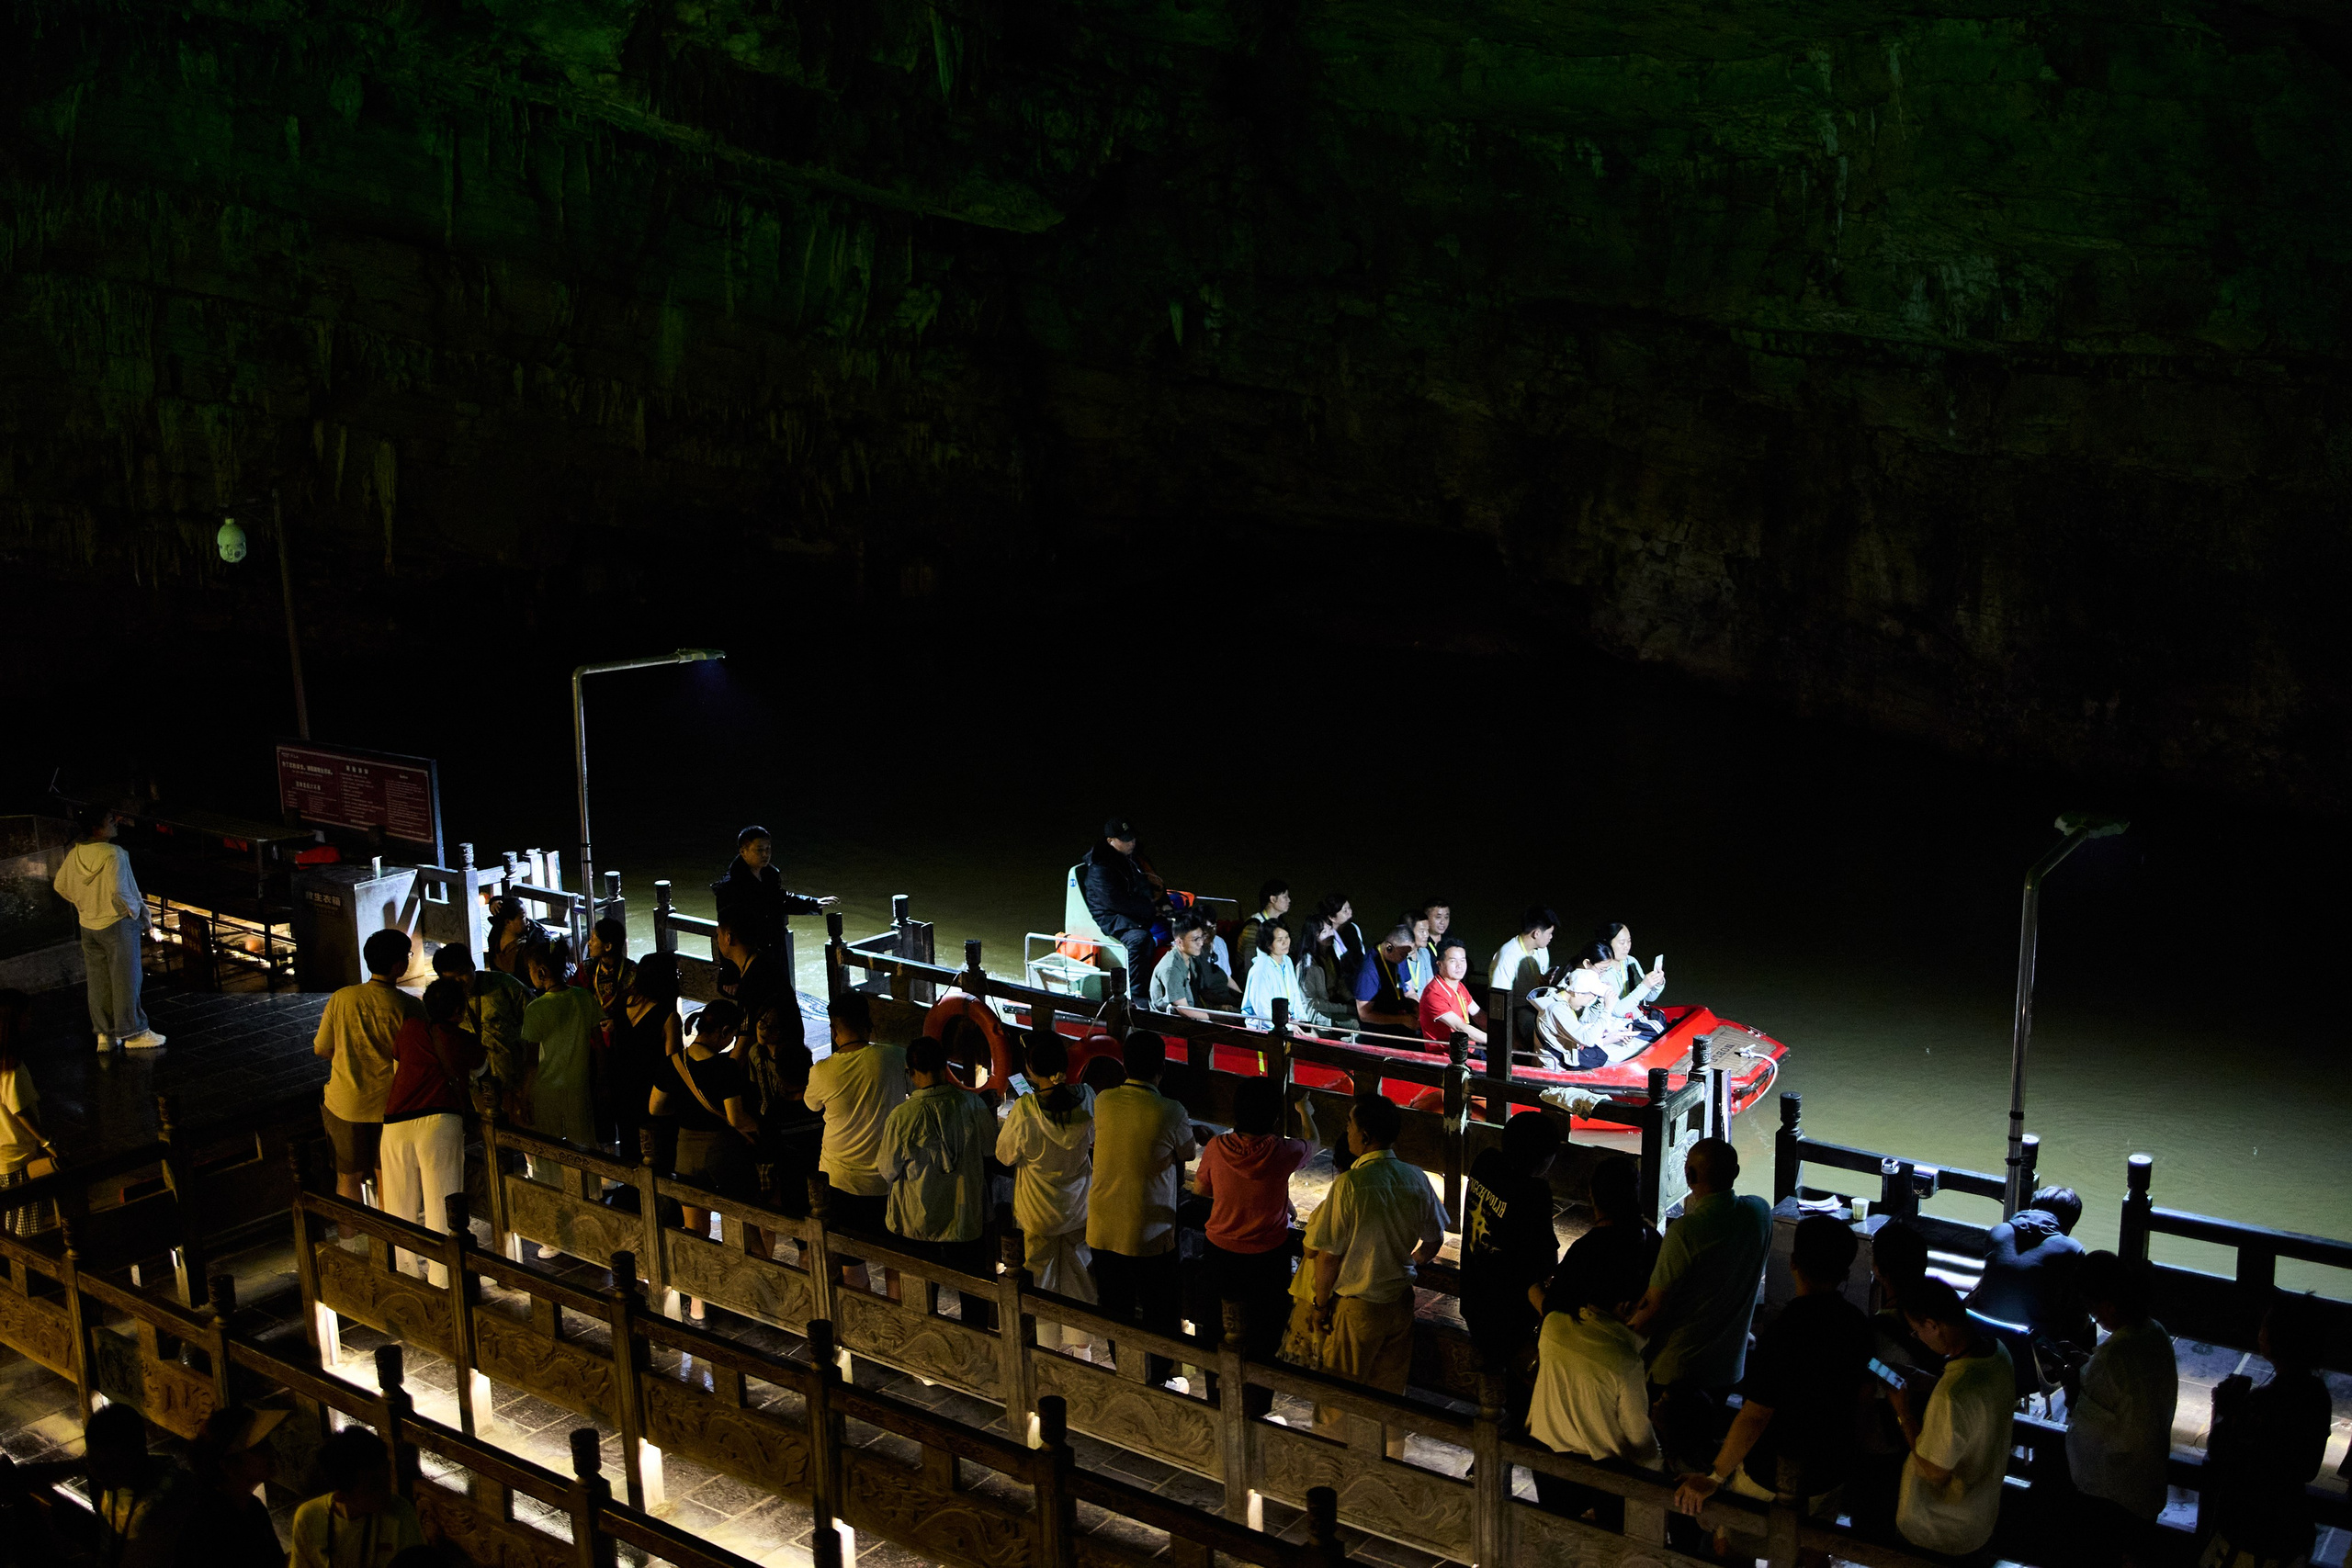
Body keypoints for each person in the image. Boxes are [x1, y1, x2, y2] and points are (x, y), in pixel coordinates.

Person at [1674, 1216, 1871, 1525]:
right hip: (1830, 1469)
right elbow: (1864, 1394)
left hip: (1771, 1472)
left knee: (1733, 1546)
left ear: (1793, 1263)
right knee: (1813, 1552)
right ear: (1845, 1273)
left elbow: (1756, 1414)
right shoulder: (1858, 1325)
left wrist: (1715, 1475)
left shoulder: (1785, 1332)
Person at [1306, 1093, 1450, 1459]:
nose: (1348, 1131)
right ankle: (1389, 1468)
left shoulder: (1351, 1186)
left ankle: (1333, 1471)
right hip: (1399, 1304)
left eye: (1350, 1126)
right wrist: (1406, 1263)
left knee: (1339, 1395)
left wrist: (1320, 1306)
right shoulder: (1415, 1177)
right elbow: (1435, 1241)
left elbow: (1327, 1258)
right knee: (1389, 1397)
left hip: (1359, 1308)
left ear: (1365, 1136)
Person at [1626, 1137, 1773, 1473]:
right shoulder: (1759, 1213)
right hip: (1727, 1368)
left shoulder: (1685, 1233)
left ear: (1689, 1176)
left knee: (1667, 1456)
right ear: (1735, 1172)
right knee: (1700, 1449)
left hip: (1675, 1371)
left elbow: (1653, 1307)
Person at [1529, 1156, 1661, 1527]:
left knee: (1556, 1528)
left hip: (1552, 1447)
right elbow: (1640, 1442)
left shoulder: (1558, 1322)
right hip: (1609, 1455)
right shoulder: (1652, 1242)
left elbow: (1550, 1305)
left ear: (1593, 1197)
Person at [1193, 1076, 1310, 1409]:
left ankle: (1218, 1401)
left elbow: (1201, 1191)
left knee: (1216, 1330)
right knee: (1265, 1335)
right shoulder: (1282, 1151)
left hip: (1220, 1254)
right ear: (1274, 1117)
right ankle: (1258, 1407)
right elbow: (1314, 1141)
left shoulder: (1217, 1147)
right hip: (1267, 1258)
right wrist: (1306, 1112)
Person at [1088, 1032, 1198, 1385]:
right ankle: (1159, 1377)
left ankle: (1126, 1371)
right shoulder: (1171, 1110)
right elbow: (1187, 1153)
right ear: (1161, 1068)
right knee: (1159, 1308)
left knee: (1116, 1306)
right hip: (1149, 1231)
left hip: (1102, 1225)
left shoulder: (1103, 1101)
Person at [2199, 1291, 2332, 1568]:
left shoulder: (2259, 1403)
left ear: (2277, 1340)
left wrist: (2227, 1411)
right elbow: (2308, 1469)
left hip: (2249, 1533)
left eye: (2265, 1327)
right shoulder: (2318, 1396)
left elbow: (2220, 1451)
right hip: (2291, 1528)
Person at [2061, 1251, 2177, 1562]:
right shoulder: (2156, 1332)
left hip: (2111, 1493)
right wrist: (2088, 1365)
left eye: (2094, 1312)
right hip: (2147, 1483)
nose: (2095, 1318)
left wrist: (2074, 1387)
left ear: (2109, 1307)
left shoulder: (2113, 1358)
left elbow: (2087, 1427)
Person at [877, 1035, 998, 1327]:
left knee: (921, 1295)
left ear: (911, 1072)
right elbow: (990, 1148)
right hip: (964, 1217)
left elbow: (887, 1170)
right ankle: (976, 1349)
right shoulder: (971, 1103)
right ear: (945, 1067)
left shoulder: (903, 1115)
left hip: (919, 1219)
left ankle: (925, 1352)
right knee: (972, 1294)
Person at [1892, 1278, 2015, 1558]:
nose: (1918, 1338)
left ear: (1932, 1326)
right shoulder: (1999, 1354)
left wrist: (1903, 1411)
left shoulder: (1952, 1395)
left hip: (1935, 1533)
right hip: (1979, 1522)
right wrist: (1931, 1383)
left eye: (1916, 1331)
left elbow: (1934, 1473)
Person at [649, 1000, 757, 1319]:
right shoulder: (723, 1068)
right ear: (723, 1032)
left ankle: (697, 1304)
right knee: (738, 1225)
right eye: (732, 1036)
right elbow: (736, 1118)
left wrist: (684, 1114)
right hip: (723, 1153)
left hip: (686, 1153)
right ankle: (745, 1297)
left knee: (695, 1231)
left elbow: (654, 1108)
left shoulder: (673, 1063)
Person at [994, 1032, 1097, 1351]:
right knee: (1079, 1275)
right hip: (1078, 1206)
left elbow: (1004, 1155)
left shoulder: (1025, 1111)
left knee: (1041, 1280)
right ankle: (1083, 1352)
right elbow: (1093, 1138)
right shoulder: (1088, 1097)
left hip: (1037, 1211)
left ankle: (1048, 1351)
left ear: (1030, 1072)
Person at [380, 977, 485, 1285]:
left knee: (399, 1202)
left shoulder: (411, 1029)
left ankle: (404, 1269)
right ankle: (443, 1275)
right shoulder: (462, 1040)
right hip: (440, 1122)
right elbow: (481, 1070)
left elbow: (399, 1064)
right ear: (457, 1011)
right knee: (443, 1200)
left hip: (396, 1122)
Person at [802, 990, 909, 1290]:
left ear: (833, 1030)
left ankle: (860, 1332)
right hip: (889, 1179)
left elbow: (811, 1105)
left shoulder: (822, 1071)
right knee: (896, 1260)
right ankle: (896, 1327)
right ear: (868, 1024)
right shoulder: (894, 1057)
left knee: (851, 1262)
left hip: (841, 1180)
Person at [314, 930, 424, 1215]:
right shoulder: (410, 1007)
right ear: (399, 966)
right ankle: (392, 1248)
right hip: (390, 1107)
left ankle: (349, 1245)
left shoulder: (343, 998)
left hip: (345, 1104)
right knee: (388, 1175)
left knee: (347, 1179)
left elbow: (322, 1048)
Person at [1459, 1111, 1562, 1375]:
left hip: (1473, 1295)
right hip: (1508, 1312)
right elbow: (1546, 1258)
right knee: (1512, 1383)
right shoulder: (1534, 1193)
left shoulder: (1485, 1162)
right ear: (1544, 1159)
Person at [52, 803, 163, 1051]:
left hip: (89, 925)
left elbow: (60, 885)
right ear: (97, 828)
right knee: (126, 980)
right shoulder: (115, 854)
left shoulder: (75, 853)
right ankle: (133, 1032)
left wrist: (84, 902)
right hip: (116, 924)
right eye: (110, 820)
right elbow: (121, 891)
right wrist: (135, 914)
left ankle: (105, 1034)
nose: (115, 823)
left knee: (98, 980)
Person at [120, 1404, 285, 1568]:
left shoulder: (252, 1509)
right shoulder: (206, 1526)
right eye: (258, 1448)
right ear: (227, 1465)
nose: (270, 1451)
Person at [521, 941, 601, 1243]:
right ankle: (589, 1213)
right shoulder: (583, 998)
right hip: (578, 1086)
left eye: (530, 970)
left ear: (541, 972)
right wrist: (602, 1081)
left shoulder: (537, 1008)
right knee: (585, 1149)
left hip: (547, 1092)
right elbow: (599, 1048)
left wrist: (523, 1096)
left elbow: (531, 1061)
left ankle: (555, 1226)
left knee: (549, 1154)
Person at [1969, 1185, 2090, 1348]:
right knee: (2087, 1321)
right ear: (2069, 1224)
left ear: (2033, 1207)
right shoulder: (2071, 1250)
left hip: (1983, 1330)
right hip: (2032, 1344)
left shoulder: (1999, 1231)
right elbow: (2077, 1313)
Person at [287, 1425, 424, 1568]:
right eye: (374, 1486)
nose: (387, 1489)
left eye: (387, 1475)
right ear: (341, 1496)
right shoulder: (309, 1517)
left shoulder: (401, 1513)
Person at [432, 944, 533, 1122]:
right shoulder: (442, 1004)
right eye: (451, 979)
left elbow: (535, 1023)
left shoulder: (504, 986)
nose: (459, 983)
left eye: (462, 974)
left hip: (515, 1081)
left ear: (472, 964)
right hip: (476, 1090)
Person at [710, 826, 833, 957]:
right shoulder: (730, 886)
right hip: (747, 954)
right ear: (743, 851)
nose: (765, 854)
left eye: (768, 849)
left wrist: (814, 903)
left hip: (773, 947)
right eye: (759, 850)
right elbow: (728, 929)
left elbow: (780, 900)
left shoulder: (770, 875)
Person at [607, 954, 684, 1164]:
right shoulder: (668, 1017)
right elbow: (672, 1063)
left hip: (623, 1089)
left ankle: (633, 1193)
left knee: (630, 1148)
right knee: (659, 1154)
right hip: (652, 1093)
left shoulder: (625, 1005)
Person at [1080, 818, 1159, 1004]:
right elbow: (1117, 902)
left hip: (1132, 909)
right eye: (1125, 839)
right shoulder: (1100, 867)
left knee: (1182, 923)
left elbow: (1146, 883)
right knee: (1139, 939)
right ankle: (1137, 996)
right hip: (1111, 917)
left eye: (1132, 837)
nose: (1132, 842)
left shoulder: (1131, 857)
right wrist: (1150, 909)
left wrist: (1161, 904)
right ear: (1110, 841)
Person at [0, 990, 60, 1236]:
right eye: (27, 1015)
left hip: (2, 1155)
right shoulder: (11, 1070)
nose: (30, 1020)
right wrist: (46, 1141)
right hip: (17, 1156)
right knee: (27, 1225)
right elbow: (21, 1110)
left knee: (8, 1219)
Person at [1535, 943, 1652, 1069]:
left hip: (1576, 1052)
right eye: (1590, 998)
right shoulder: (1557, 1009)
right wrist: (1607, 1009)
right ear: (1578, 992)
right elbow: (1587, 1039)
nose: (1588, 1003)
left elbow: (1582, 1033)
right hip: (1563, 1063)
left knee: (1638, 1053)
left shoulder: (1567, 1000)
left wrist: (1611, 1036)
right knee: (1631, 1063)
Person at [1242, 921, 1341, 1028]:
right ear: (1268, 944)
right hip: (1266, 1028)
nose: (1286, 942)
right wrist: (1291, 1027)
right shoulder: (1260, 970)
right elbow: (1263, 1012)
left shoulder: (1287, 960)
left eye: (1287, 937)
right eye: (1280, 940)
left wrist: (1304, 1023)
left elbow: (1295, 995)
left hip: (1289, 1023)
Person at [1490, 907, 1558, 1043]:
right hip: (1518, 1012)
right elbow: (1499, 1003)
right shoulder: (1508, 956)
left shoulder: (1542, 950)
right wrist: (1513, 1039)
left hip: (1538, 1007)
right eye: (1549, 933)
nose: (1551, 937)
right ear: (1537, 933)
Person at [1351, 922, 1422, 1034]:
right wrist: (1402, 1020)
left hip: (1402, 1022)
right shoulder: (1368, 971)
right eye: (1403, 954)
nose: (1405, 958)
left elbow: (1409, 992)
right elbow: (1364, 1015)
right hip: (1379, 1032)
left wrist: (1419, 1011)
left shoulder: (1399, 958)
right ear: (1389, 948)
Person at [1416, 938, 1487, 1049]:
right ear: (1440, 964)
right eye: (1453, 961)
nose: (1459, 965)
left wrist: (1505, 1036)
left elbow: (1479, 1016)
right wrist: (1494, 1041)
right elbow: (1460, 1027)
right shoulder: (1433, 993)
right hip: (1447, 1055)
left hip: (1467, 1049)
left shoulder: (1460, 986)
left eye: (1463, 960)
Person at [1590, 921, 1665, 1020]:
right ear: (1606, 943)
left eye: (1629, 941)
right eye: (1622, 942)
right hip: (1611, 1025)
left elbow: (1648, 997)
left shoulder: (1630, 962)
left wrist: (1657, 983)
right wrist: (1645, 986)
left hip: (1634, 1018)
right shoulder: (1600, 969)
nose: (1627, 946)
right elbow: (1617, 1011)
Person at [1149, 912, 1216, 1021]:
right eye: (1195, 940)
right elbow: (1184, 1010)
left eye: (1201, 937)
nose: (1201, 943)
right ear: (1179, 942)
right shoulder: (1171, 969)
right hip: (1170, 1022)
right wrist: (1217, 1018)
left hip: (1190, 1013)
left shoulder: (1191, 958)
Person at [1235, 881, 1291, 984]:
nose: (1289, 900)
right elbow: (1249, 964)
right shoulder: (1254, 926)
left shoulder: (1280, 923)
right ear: (1273, 899)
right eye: (1285, 897)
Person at [583, 917, 638, 1015]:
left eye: (593, 939)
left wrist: (617, 1023)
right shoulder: (586, 968)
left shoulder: (633, 972)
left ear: (608, 947)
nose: (589, 943)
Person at [486, 896, 542, 980]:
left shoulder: (531, 945)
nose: (527, 921)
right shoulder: (495, 937)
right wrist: (494, 902)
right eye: (522, 917)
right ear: (508, 922)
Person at [1411, 898, 1457, 996]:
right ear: (1426, 917)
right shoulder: (1421, 943)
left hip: (1450, 991)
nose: (1443, 922)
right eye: (1438, 917)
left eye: (1446, 917)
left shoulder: (1450, 941)